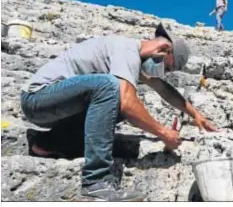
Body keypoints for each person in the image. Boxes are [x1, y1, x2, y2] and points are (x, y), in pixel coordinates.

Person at [20, 23, 218, 201]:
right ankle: (96, 181)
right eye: (167, 68)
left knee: (117, 101)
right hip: (38, 99)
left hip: (55, 107)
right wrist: (165, 134)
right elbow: (127, 103)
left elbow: (163, 89)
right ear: (163, 50)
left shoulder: (135, 60)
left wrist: (195, 114)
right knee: (112, 88)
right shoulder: (127, 51)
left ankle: (48, 143)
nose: (163, 74)